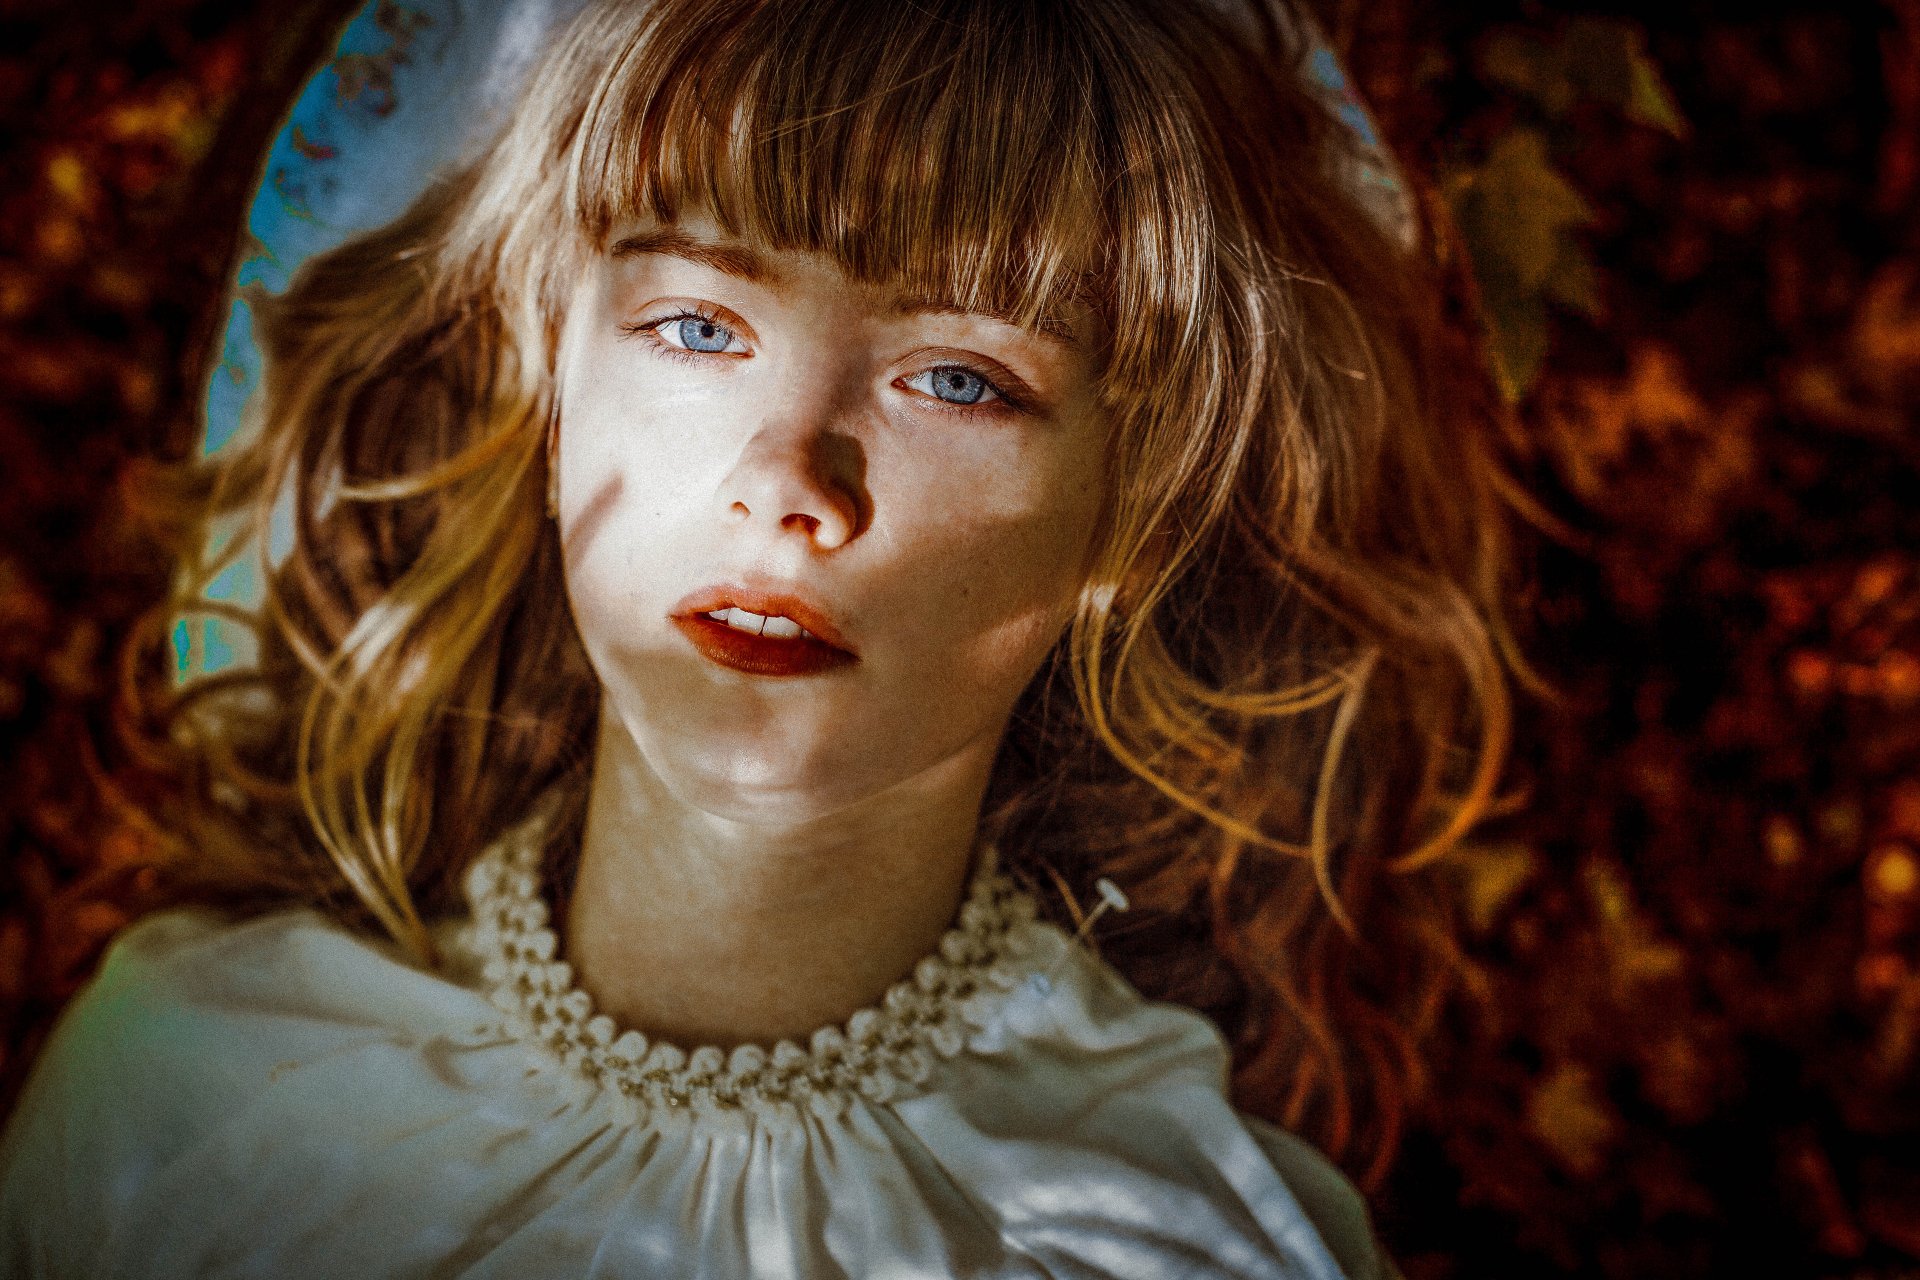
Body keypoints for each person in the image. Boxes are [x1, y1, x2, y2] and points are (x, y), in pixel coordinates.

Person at [0, 0, 1516, 1274]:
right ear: (553, 386)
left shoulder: (1181, 1246)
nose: (789, 480)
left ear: (1131, 511)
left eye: (960, 379)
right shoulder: (179, 1106)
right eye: (700, 328)